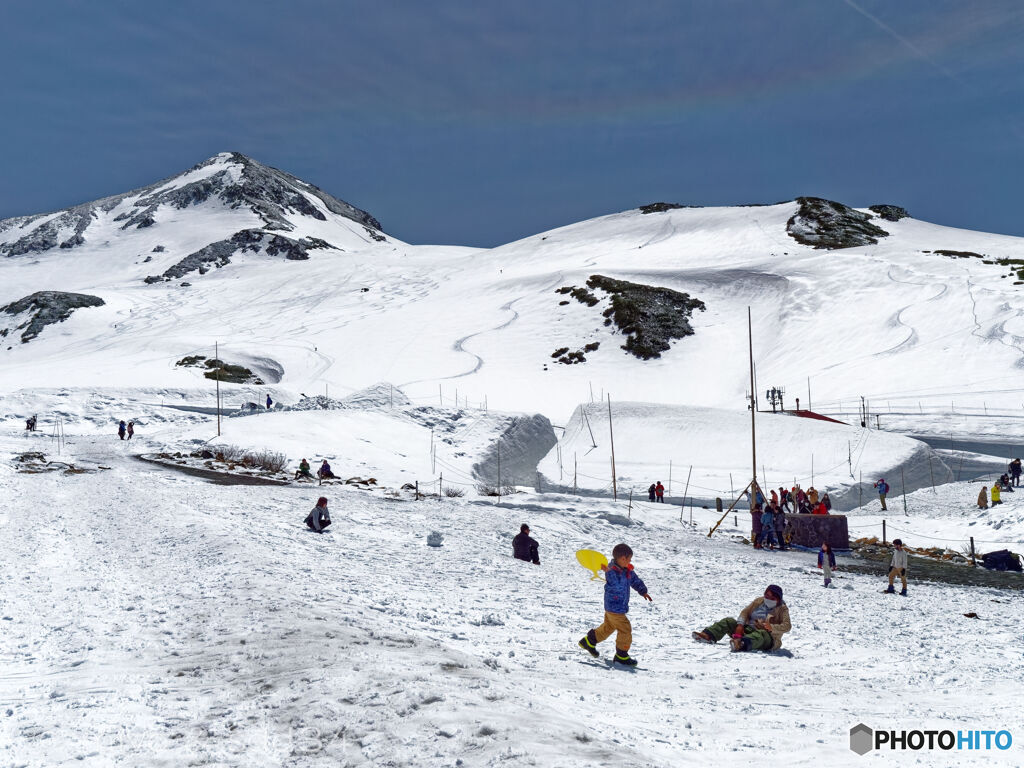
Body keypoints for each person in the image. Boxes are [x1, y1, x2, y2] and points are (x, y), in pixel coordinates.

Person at [578, 543, 652, 666]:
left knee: (608, 627)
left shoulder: (627, 570)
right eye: (629, 559)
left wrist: (643, 591)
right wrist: (608, 572)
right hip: (614, 607)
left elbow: (635, 580)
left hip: (615, 607)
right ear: (622, 558)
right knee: (625, 629)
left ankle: (589, 641)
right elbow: (615, 584)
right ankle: (621, 655)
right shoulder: (611, 571)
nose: (629, 562)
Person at [691, 584, 791, 652]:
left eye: (772, 598)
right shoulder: (759, 601)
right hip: (748, 629)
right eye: (767, 596)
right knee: (729, 621)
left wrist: (772, 627)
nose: (768, 599)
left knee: (761, 634)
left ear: (778, 599)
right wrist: (740, 625)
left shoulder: (782, 609)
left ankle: (741, 644)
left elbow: (787, 626)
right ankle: (708, 636)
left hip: (767, 637)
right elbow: (745, 612)